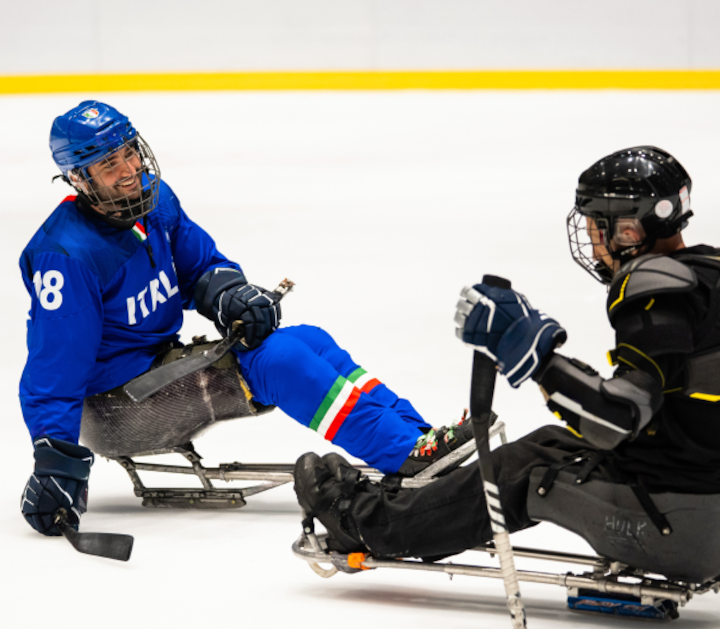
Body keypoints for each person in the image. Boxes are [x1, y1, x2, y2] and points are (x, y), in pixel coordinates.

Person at [19, 100, 471, 538]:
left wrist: (232, 297)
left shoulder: (155, 201)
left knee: (310, 339)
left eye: (129, 152)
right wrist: (57, 464)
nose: (129, 169)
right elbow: (53, 371)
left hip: (154, 370)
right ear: (79, 179)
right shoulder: (65, 257)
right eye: (109, 164)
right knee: (280, 361)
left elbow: (200, 267)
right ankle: (402, 455)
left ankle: (417, 438)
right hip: (114, 407)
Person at [294, 146, 720, 582]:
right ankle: (407, 507)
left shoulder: (655, 285)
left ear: (629, 230)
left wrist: (535, 358)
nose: (593, 243)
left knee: (522, 470)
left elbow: (615, 420)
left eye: (596, 227)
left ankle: (365, 523)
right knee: (553, 443)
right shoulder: (710, 274)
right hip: (704, 501)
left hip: (679, 523)